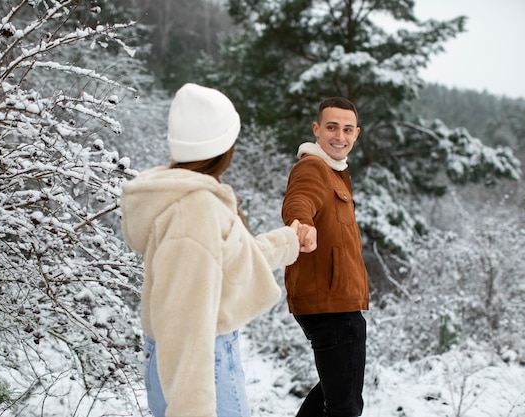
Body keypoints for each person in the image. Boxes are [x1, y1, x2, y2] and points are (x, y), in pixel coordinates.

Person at [120, 83, 316, 417]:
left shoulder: (185, 198)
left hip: (187, 359)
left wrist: (287, 241)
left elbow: (226, 260)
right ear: (223, 145)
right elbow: (185, 320)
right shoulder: (195, 212)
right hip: (199, 365)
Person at [281, 97, 370, 417]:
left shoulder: (336, 173)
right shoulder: (313, 167)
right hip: (330, 304)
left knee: (336, 394)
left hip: (342, 302)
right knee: (344, 405)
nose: (339, 136)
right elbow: (299, 199)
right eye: (332, 127)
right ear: (316, 129)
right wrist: (300, 224)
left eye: (347, 129)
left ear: (356, 133)